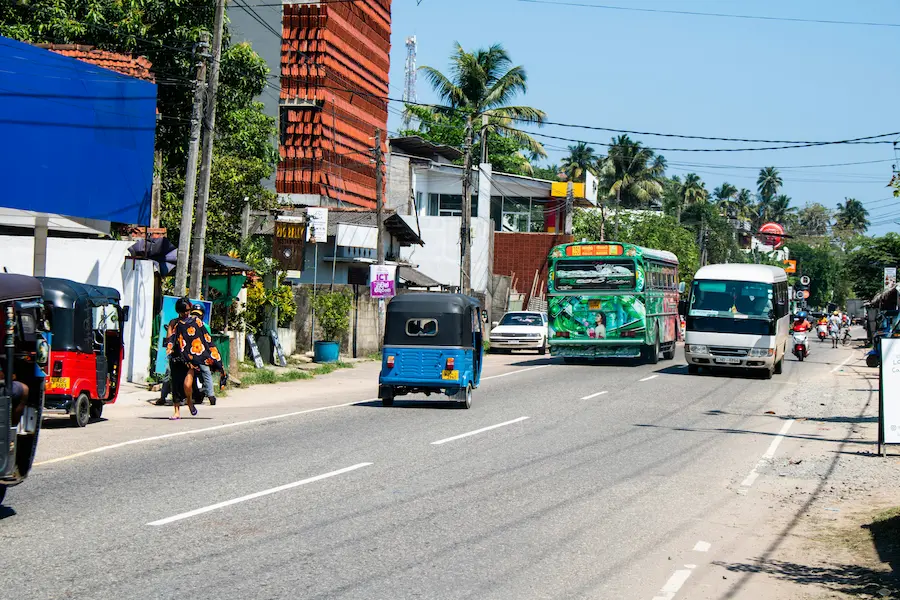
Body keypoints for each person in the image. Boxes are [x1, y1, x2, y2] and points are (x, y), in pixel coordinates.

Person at [190, 304, 219, 406]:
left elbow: (208, 342)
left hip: (201, 354)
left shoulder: (205, 326)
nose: (195, 317)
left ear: (202, 316)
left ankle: (211, 395)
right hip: (189, 354)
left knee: (206, 372)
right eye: (193, 314)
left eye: (197, 315)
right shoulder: (186, 324)